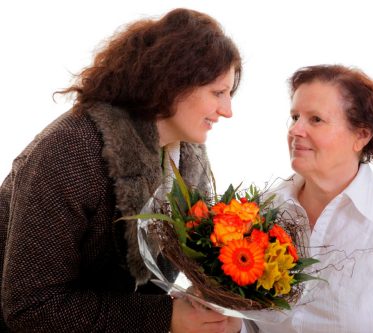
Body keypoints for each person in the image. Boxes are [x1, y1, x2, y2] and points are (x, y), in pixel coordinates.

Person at [0, 8, 242, 333]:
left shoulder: (187, 155)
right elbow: (31, 307)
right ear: (173, 82)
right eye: (218, 93)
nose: (227, 111)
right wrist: (165, 317)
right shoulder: (72, 150)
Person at [243, 65, 373, 332]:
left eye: (315, 119)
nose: (295, 130)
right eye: (295, 117)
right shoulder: (264, 209)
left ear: (361, 135)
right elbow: (249, 323)